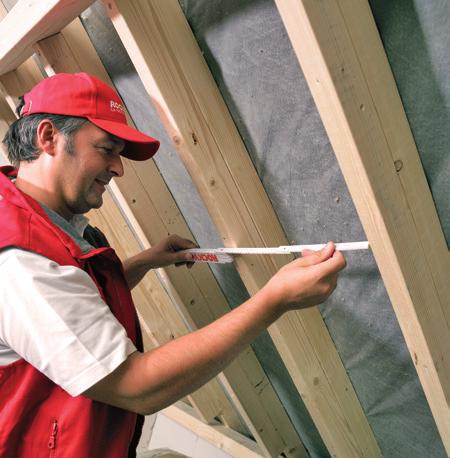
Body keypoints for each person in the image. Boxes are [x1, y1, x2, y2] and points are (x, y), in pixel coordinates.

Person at [0, 72, 346, 457]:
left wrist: (146, 261)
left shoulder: (36, 217)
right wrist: (274, 301)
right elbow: (137, 387)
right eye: (106, 148)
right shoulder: (20, 262)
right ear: (48, 138)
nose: (118, 168)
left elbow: (71, 308)